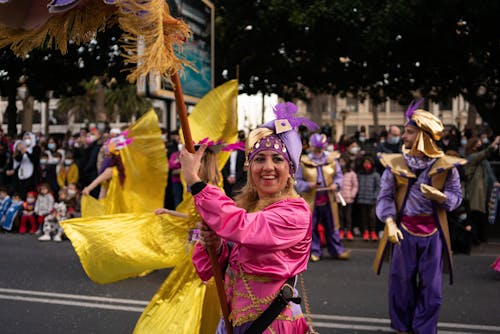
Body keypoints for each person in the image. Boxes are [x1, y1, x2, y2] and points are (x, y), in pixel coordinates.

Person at [187, 102, 315, 333]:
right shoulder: (249, 208)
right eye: (259, 159)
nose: (268, 167)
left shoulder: (295, 214)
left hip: (272, 325)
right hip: (235, 322)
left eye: (277, 159)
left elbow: (243, 227)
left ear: (291, 170)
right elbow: (214, 271)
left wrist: (197, 185)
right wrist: (215, 247)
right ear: (249, 167)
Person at [373, 100, 465, 334]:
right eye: (404, 131)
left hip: (433, 233)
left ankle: (424, 329)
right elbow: (384, 197)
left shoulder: (446, 167)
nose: (404, 136)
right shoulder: (394, 165)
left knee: (431, 288)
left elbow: (457, 196)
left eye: (409, 132)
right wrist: (390, 222)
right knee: (401, 284)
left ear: (423, 136)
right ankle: (403, 327)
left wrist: (441, 197)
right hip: (403, 232)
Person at [296, 133, 351, 262]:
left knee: (333, 226)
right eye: (316, 147)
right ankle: (315, 251)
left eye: (321, 147)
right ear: (311, 146)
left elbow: (339, 176)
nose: (318, 150)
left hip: (328, 199)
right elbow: (297, 181)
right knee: (312, 227)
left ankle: (337, 250)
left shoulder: (332, 160)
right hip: (311, 200)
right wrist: (309, 185)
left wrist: (335, 184)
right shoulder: (303, 161)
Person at [463, 135, 500, 244]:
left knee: (480, 216)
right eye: (478, 143)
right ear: (473, 146)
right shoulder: (471, 158)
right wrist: (494, 143)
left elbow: (489, 173)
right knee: (476, 216)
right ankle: (475, 239)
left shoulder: (482, 161)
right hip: (475, 192)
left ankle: (479, 238)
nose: (481, 145)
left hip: (483, 192)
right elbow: (485, 153)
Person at [356, 155, 380, 241]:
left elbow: (378, 187)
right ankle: (365, 232)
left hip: (372, 200)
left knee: (372, 216)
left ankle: (373, 232)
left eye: (368, 162)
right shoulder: (360, 174)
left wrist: (375, 196)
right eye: (365, 163)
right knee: (364, 217)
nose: (366, 164)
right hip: (362, 199)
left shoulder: (375, 175)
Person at [221, 130, 247, 199]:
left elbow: (243, 168)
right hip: (226, 180)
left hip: (238, 180)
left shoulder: (242, 153)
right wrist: (227, 177)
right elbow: (223, 166)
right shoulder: (225, 153)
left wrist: (236, 178)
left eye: (236, 139)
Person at [338, 155, 358, 240]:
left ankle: (349, 231)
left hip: (348, 198)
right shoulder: (337, 172)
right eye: (340, 161)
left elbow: (355, 186)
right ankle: (341, 230)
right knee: (340, 216)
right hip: (339, 198)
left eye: (343, 161)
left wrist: (352, 194)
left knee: (348, 216)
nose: (341, 163)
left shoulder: (352, 173)